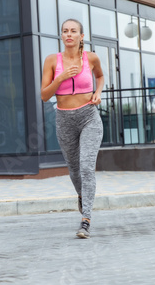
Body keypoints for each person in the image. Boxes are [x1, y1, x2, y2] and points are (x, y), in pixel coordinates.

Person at [41, 19, 104, 239]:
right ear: (62, 35)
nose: (69, 34)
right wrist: (61, 78)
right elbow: (44, 95)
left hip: (89, 117)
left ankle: (85, 219)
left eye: (73, 31)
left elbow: (100, 76)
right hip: (64, 119)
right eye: (65, 31)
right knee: (74, 169)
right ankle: (82, 195)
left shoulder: (91, 58)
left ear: (81, 36)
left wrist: (98, 92)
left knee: (86, 167)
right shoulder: (52, 60)